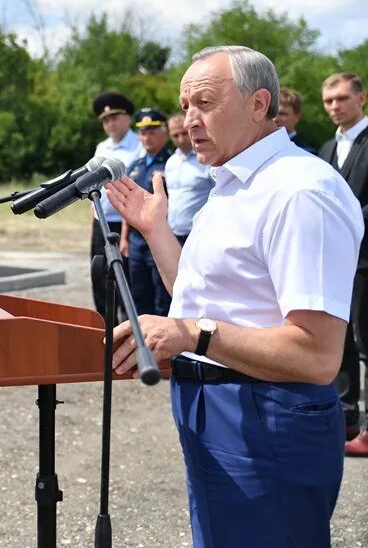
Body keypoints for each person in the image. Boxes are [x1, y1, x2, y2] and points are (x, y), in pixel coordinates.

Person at [107, 45, 361, 547]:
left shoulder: (297, 191)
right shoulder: (233, 182)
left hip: (267, 413)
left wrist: (187, 335)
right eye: (185, 106)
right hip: (214, 403)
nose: (189, 120)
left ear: (259, 104)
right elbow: (206, 300)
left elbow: (316, 355)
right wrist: (157, 231)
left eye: (204, 103)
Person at [318, 72, 368, 454]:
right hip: (335, 260)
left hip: (367, 259)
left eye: (341, 98)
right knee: (341, 339)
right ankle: (346, 420)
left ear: (361, 99)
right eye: (328, 101)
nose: (334, 106)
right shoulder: (325, 150)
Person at [89, 91, 143, 314]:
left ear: (128, 117)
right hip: (100, 222)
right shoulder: (102, 148)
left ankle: (128, 330)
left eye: (115, 118)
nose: (110, 123)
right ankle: (105, 330)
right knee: (99, 276)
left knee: (126, 281)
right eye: (106, 120)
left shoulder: (139, 145)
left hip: (127, 224)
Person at [121, 108, 173, 316]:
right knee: (139, 293)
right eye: (143, 133)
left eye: (152, 132)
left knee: (162, 295)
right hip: (136, 239)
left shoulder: (171, 163)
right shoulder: (136, 166)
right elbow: (128, 203)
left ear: (164, 133)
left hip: (159, 236)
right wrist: (124, 237)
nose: (146, 137)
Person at [163, 113, 213, 246]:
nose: (180, 139)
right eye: (175, 135)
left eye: (184, 133)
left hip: (200, 234)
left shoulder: (206, 159)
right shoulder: (170, 162)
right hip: (173, 234)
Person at [275, 87, 316, 153]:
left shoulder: (306, 153)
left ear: (297, 116)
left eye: (282, 114)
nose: (275, 119)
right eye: (272, 113)